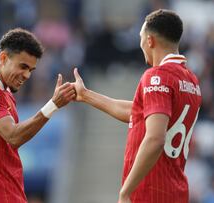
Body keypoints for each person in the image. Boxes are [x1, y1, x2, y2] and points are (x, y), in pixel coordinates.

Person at [72, 9, 202, 203]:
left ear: (149, 41)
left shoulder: (157, 76)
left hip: (150, 192)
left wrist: (126, 191)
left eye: (141, 38)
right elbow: (137, 112)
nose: (140, 44)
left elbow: (155, 138)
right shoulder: (191, 81)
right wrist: (86, 96)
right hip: (175, 191)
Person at [0, 28, 75, 203]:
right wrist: (53, 105)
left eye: (31, 70)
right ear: (3, 58)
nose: (27, 75)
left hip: (11, 193)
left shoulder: (5, 94)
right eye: (23, 66)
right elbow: (13, 136)